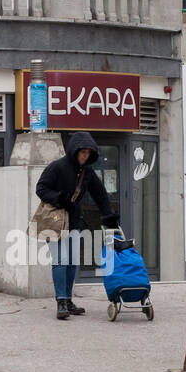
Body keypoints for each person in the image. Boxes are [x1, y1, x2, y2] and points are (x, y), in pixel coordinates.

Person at [35, 131, 120, 320]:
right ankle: (61, 301)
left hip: (73, 221)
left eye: (88, 153)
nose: (85, 156)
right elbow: (41, 188)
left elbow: (100, 194)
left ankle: (68, 300)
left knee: (72, 261)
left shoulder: (88, 172)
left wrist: (109, 216)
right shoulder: (57, 167)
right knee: (61, 259)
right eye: (82, 152)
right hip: (54, 220)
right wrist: (60, 198)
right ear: (74, 151)